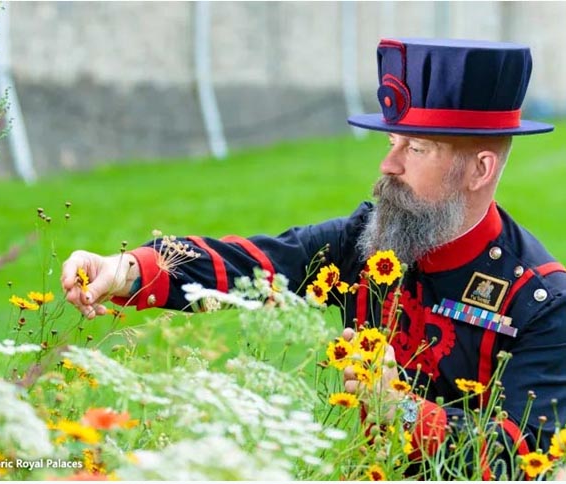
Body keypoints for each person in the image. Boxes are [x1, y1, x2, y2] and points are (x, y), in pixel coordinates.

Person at [61, 38, 566, 478]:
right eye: (392, 141)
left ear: (479, 169)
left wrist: (402, 411)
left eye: (416, 148)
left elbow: (527, 457)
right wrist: (127, 270)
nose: (387, 165)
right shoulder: (370, 240)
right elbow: (254, 264)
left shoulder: (542, 302)